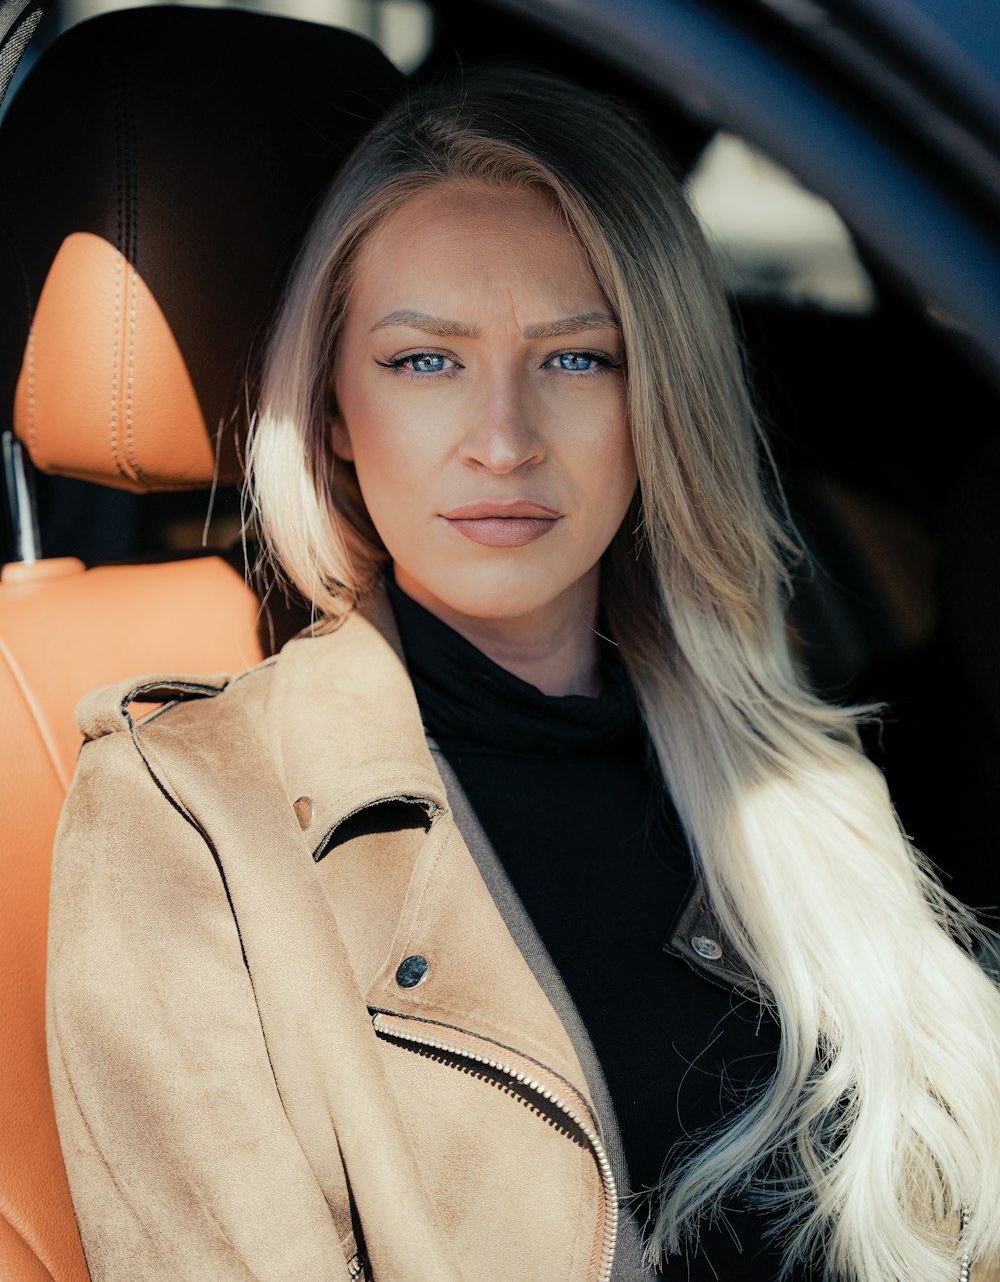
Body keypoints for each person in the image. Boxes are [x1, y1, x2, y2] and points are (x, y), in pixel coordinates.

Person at [46, 64, 1000, 1282]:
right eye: (424, 362)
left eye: (577, 359)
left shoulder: (793, 768)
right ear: (332, 407)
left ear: (660, 396)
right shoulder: (186, 819)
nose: (503, 440)